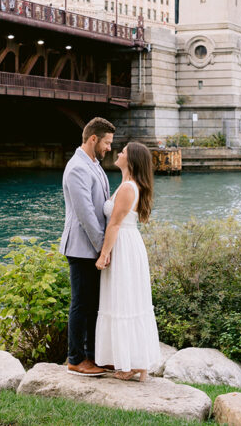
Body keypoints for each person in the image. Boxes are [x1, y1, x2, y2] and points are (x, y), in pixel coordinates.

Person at [94, 141, 160, 382]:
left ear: (130, 160)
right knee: (129, 301)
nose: (118, 153)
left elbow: (114, 224)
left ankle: (131, 364)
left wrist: (103, 254)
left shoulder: (127, 188)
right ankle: (136, 364)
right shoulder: (128, 185)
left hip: (123, 245)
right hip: (128, 244)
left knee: (124, 301)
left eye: (122, 152)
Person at [59, 117, 115, 376]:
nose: (109, 148)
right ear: (93, 139)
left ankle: (93, 357)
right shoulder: (77, 168)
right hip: (81, 248)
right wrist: (104, 248)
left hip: (92, 247)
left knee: (93, 304)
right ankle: (75, 358)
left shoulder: (94, 164)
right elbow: (86, 215)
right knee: (81, 304)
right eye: (106, 142)